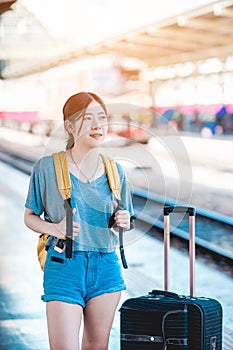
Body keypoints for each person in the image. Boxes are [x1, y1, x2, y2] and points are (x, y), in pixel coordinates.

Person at [24, 91, 134, 350]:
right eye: (88, 118)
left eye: (102, 117)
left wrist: (124, 221)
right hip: (64, 267)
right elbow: (29, 217)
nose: (98, 125)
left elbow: (125, 219)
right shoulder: (46, 168)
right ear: (70, 126)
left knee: (97, 346)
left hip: (106, 266)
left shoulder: (115, 171)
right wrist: (55, 228)